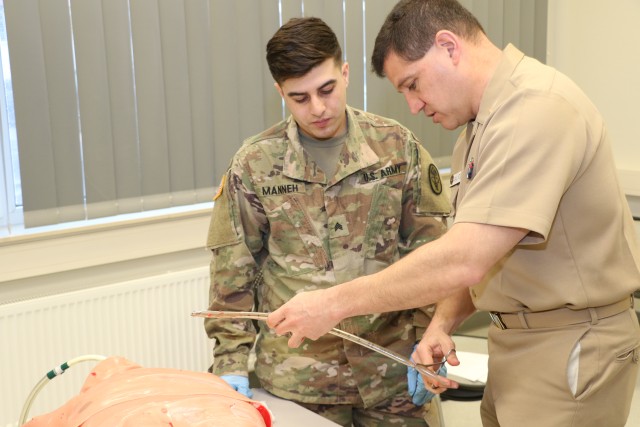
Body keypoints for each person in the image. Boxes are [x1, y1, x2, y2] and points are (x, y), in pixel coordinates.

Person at [267, 1, 640, 426]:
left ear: (448, 46)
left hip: (568, 343)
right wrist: (442, 323)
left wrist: (333, 304)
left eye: (412, 84)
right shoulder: (480, 129)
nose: (412, 105)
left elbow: (466, 257)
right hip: (516, 341)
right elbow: (490, 253)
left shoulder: (536, 110)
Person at [203, 16, 451, 427]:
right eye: (299, 98)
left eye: (327, 89)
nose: (317, 109)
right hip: (297, 382)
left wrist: (431, 338)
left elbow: (433, 253)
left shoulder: (396, 148)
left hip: (392, 376)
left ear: (346, 73)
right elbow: (233, 273)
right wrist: (230, 361)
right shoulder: (255, 164)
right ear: (280, 92)